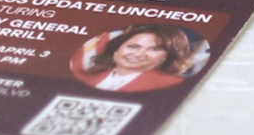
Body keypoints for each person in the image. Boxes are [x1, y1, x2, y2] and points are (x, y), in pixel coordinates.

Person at [74, 24, 206, 93]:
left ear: (165, 57)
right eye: (133, 47)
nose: (139, 54)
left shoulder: (169, 85)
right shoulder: (87, 78)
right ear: (116, 50)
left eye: (154, 49)